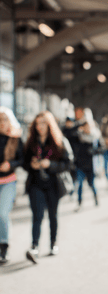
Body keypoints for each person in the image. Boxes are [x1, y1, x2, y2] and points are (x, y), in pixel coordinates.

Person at [23, 111, 73, 263]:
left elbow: (69, 163)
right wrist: (31, 165)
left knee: (53, 215)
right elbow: (24, 162)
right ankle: (34, 247)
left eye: (43, 123)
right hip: (36, 184)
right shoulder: (32, 142)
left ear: (50, 124)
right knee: (37, 216)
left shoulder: (60, 141)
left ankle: (53, 243)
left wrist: (50, 164)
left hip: (54, 184)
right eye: (37, 123)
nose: (40, 127)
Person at [0, 107, 24, 264]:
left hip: (8, 180)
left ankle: (4, 245)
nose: (2, 122)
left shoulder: (16, 138)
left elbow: (22, 159)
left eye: (4, 119)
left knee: (2, 213)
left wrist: (10, 164)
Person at [74, 121, 104, 211]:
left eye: (89, 127)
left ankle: (96, 198)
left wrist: (94, 151)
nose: (87, 129)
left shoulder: (96, 137)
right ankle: (79, 203)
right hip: (80, 165)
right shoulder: (78, 136)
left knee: (92, 184)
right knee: (79, 185)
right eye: (86, 127)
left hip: (91, 166)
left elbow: (102, 149)